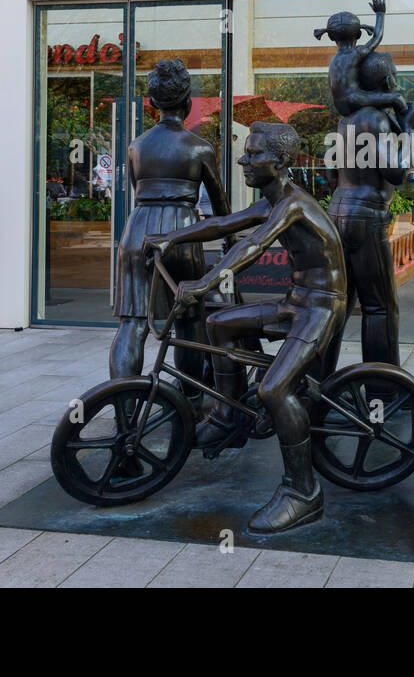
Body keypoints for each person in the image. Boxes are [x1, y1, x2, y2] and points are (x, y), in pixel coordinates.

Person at [151, 121, 346, 533]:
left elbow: (252, 244)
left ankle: (302, 491)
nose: (243, 158)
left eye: (254, 154)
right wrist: (170, 238)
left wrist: (206, 281)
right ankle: (227, 419)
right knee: (218, 323)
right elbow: (224, 225)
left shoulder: (292, 203)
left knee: (273, 389)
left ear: (281, 162)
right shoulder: (273, 199)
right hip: (298, 302)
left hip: (321, 308)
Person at [111, 60, 230, 387]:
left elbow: (138, 189)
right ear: (188, 103)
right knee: (190, 319)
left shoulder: (137, 145)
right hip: (183, 232)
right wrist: (231, 239)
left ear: (151, 104)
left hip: (139, 231)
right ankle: (189, 400)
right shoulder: (200, 147)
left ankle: (123, 405)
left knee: (132, 323)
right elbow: (220, 204)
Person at [320, 51, 414, 373]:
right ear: (388, 82)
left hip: (341, 212)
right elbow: (397, 173)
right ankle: (383, 388)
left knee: (340, 305)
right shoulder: (375, 118)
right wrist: (413, 133)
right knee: (381, 308)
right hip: (366, 217)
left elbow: (334, 174)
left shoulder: (348, 120)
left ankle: (320, 381)